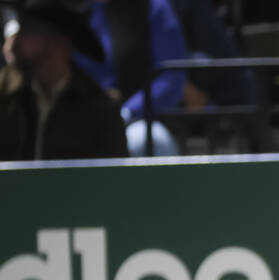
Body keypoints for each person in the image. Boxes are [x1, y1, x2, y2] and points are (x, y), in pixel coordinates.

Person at [0, 0, 128, 161]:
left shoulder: (98, 109)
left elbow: (111, 179)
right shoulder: (4, 95)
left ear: (57, 42)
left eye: (28, 29)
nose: (15, 41)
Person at [75, 0, 187, 156]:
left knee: (151, 140)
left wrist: (127, 112)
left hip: (134, 120)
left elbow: (172, 79)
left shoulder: (153, 7)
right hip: (77, 118)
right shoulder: (70, 10)